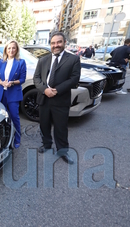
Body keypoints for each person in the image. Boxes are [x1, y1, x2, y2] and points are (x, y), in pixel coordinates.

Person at [33, 32, 81, 164]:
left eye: (59, 42)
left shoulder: (73, 59)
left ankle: (62, 151)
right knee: (44, 125)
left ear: (65, 42)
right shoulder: (43, 60)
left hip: (60, 99)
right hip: (44, 98)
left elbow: (74, 79)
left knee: (61, 128)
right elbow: (36, 78)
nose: (56, 45)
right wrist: (45, 90)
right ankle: (47, 145)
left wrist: (57, 90)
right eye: (53, 43)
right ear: (50, 44)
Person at [0, 40, 27, 149]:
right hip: (0, 93)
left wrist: (12, 82)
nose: (11, 50)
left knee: (14, 117)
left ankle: (17, 138)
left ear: (16, 49)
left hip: (13, 94)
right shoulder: (1, 62)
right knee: (0, 117)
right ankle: (2, 138)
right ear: (6, 50)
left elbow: (22, 79)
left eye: (13, 48)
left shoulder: (21, 62)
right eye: (9, 48)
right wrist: (1, 82)